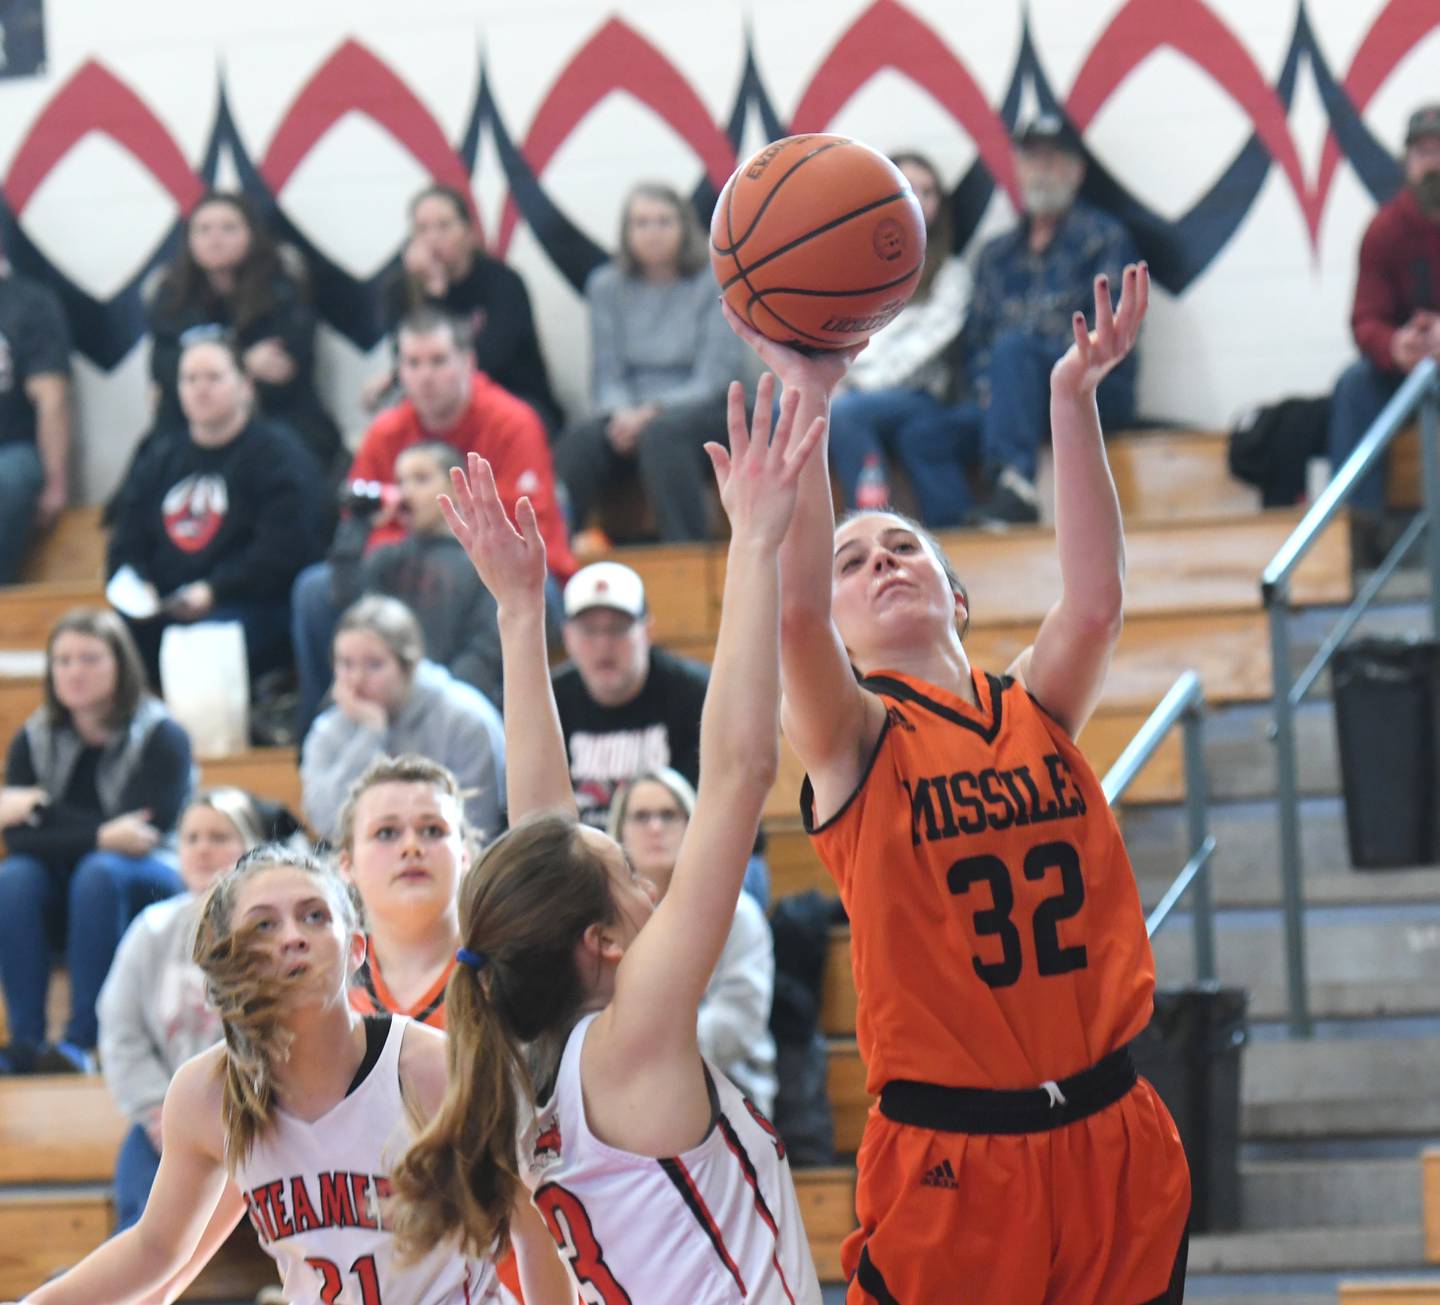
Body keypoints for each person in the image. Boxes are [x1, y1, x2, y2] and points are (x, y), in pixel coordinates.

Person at [723, 265, 1189, 1302]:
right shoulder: (855, 739)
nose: (881, 562)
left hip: (1117, 1135)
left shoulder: (1037, 710)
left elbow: (1098, 599)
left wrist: (1072, 397)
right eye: (853, 562)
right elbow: (792, 617)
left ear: (959, 596)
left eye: (903, 547)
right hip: (957, 1156)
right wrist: (811, 393)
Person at [386, 386, 824, 1300]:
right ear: (604, 941)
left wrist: (518, 613)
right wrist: (752, 542)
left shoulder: (525, 1062)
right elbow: (741, 769)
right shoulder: (630, 1044)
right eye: (626, 867)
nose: (649, 877)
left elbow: (542, 836)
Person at [12, 844, 572, 1305]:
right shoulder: (208, 1093)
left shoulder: (430, 1068)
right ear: (227, 956)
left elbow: (534, 1229)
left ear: (355, 948)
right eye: (263, 924)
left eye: (314, 916)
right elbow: (156, 1251)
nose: (293, 936)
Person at [292, 307, 574, 733]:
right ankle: (322, 722)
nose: (425, 376)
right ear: (399, 371)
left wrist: (439, 523)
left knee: (533, 593)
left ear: (468, 362)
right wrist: (406, 527)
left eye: (438, 361)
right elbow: (361, 519)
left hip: (490, 563)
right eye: (412, 363)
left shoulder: (512, 422)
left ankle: (490, 719)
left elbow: (529, 525)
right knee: (315, 589)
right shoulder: (384, 432)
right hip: (404, 563)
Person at [0, 608, 192, 1075]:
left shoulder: (162, 734)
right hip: (69, 878)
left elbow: (144, 832)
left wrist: (42, 810)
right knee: (13, 877)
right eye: (62, 661)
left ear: (120, 665)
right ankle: (24, 1040)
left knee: (99, 871)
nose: (74, 672)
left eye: (89, 659)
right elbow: (18, 838)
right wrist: (99, 832)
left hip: (150, 879)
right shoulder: (34, 736)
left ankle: (83, 1041)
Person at [106, 337, 324, 687]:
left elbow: (286, 549)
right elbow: (126, 543)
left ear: (245, 386)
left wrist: (214, 590)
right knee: (101, 643)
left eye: (213, 377)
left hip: (250, 604)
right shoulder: (158, 459)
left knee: (202, 646)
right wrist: (140, 584)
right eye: (190, 379)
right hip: (163, 607)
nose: (200, 389)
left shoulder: (279, 456)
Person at [97, 788, 269, 1231]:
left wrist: (241, 1114)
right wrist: (160, 1113)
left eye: (219, 836)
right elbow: (121, 1034)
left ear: (250, 848)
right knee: (139, 1197)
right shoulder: (150, 930)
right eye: (191, 838)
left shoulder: (274, 931)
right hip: (168, 1119)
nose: (203, 848)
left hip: (262, 1117)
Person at [959, 114, 1140, 526]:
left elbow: (1111, 334)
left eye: (1053, 160)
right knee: (923, 432)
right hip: (1006, 401)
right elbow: (973, 341)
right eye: (1032, 160)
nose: (1042, 171)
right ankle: (944, 544)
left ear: (1077, 171)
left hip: (1092, 391)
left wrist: (1019, 373)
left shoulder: (1104, 239)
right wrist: (995, 388)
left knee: (1013, 349)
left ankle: (1016, 489)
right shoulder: (996, 254)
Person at [553, 181, 746, 541]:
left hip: (703, 409)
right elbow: (606, 374)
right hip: (628, 411)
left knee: (662, 435)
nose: (652, 233)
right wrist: (624, 415)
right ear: (626, 233)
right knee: (578, 441)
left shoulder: (714, 280)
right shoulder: (605, 286)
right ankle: (558, 553)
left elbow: (714, 378)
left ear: (685, 226)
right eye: (641, 223)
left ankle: (686, 555)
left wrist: (649, 414)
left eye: (663, 221)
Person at [607, 767, 777, 1114]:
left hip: (727, 1088)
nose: (655, 827)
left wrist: (641, 1045)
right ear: (619, 829)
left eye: (669, 815)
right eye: (641, 816)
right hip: (625, 1089)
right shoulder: (605, 919)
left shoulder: (737, 913)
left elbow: (737, 1026)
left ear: (692, 824)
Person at [826, 152, 975, 525]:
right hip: (851, 391)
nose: (921, 200)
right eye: (909, 189)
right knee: (787, 410)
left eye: (929, 191)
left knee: (843, 414)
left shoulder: (951, 274)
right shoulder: (849, 269)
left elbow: (923, 349)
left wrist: (854, 385)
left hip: (916, 394)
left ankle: (873, 528)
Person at [147, 191, 341, 468]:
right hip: (190, 427)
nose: (215, 239)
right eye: (203, 229)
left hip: (278, 419)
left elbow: (284, 371)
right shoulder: (170, 297)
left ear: (251, 234)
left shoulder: (282, 290)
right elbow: (164, 370)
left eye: (228, 228)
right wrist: (246, 363)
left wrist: (205, 370)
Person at [1328, 102, 1440, 561]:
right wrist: (1395, 346)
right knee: (1354, 387)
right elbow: (1364, 319)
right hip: (1405, 371)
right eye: (1422, 153)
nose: (1431, 163)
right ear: (1407, 162)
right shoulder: (1384, 231)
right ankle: (1358, 533)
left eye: (1439, 150)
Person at [301, 596, 505, 845]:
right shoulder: (328, 729)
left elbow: (478, 830)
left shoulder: (465, 720)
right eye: (345, 664)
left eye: (374, 664)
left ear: (409, 666)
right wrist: (370, 734)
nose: (356, 680)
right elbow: (325, 823)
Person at [365, 183, 562, 434]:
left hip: (511, 394)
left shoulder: (503, 282)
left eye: (444, 226)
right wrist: (430, 291)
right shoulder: (399, 291)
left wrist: (438, 292)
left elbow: (486, 362)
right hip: (436, 404)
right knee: (389, 427)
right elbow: (409, 357)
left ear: (469, 232)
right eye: (422, 229)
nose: (433, 238)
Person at [324, 441, 502, 707]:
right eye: (401, 482)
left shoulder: (481, 563)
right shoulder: (387, 558)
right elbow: (348, 602)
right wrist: (359, 523)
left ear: (455, 488)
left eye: (421, 479)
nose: (406, 492)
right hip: (385, 701)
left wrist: (437, 703)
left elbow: (484, 651)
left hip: (452, 706)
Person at [0, 249, 71, 585]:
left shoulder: (29, 303)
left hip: (11, 446)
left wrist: (55, 482)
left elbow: (52, 397)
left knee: (8, 479)